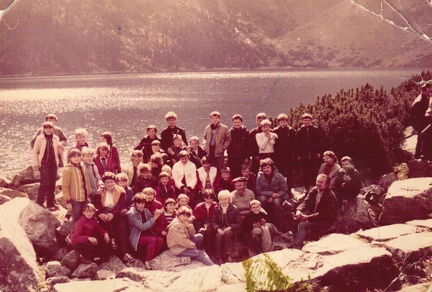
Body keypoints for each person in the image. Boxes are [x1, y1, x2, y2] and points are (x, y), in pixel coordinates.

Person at [94, 172, 135, 263]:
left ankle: (124, 252)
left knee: (122, 226)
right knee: (103, 226)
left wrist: (113, 214)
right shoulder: (100, 191)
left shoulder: (121, 191)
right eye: (107, 182)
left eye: (111, 182)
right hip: (103, 212)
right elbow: (96, 204)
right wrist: (100, 214)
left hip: (116, 212)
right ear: (104, 183)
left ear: (115, 182)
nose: (109, 184)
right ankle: (105, 252)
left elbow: (120, 205)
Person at [292, 174, 339, 249]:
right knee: (298, 216)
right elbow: (306, 202)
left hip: (326, 221)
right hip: (315, 215)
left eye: (321, 182)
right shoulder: (314, 190)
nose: (318, 184)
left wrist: (307, 218)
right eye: (317, 181)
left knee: (302, 225)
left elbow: (323, 215)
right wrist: (298, 210)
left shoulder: (329, 197)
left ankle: (297, 246)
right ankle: (299, 237)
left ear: (327, 185)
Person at [127, 193, 164, 270]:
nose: (141, 205)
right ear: (135, 203)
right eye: (138, 203)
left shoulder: (146, 210)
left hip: (147, 234)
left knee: (160, 240)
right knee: (152, 240)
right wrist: (154, 218)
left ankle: (151, 258)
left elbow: (152, 220)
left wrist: (157, 213)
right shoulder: (131, 214)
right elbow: (142, 227)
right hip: (136, 237)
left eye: (142, 203)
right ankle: (147, 261)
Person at [32, 121, 62, 210]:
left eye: (50, 128)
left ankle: (50, 203)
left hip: (53, 164)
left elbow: (58, 152)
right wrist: (36, 165)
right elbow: (34, 152)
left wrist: (61, 149)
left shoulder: (56, 138)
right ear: (43, 129)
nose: (48, 130)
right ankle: (39, 202)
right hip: (44, 163)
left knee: (52, 183)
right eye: (46, 128)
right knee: (44, 183)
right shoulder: (39, 138)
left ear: (53, 129)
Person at [255, 158, 289, 231]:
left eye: (268, 167)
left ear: (272, 168)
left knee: (276, 202)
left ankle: (278, 225)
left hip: (279, 195)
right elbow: (258, 190)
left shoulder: (279, 176)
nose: (266, 169)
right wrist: (270, 194)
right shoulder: (260, 177)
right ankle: (265, 221)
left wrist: (276, 195)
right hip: (266, 195)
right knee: (262, 199)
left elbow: (284, 189)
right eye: (264, 168)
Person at [295, 113, 324, 193]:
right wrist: (298, 155)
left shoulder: (315, 129)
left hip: (314, 154)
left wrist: (319, 152)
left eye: (308, 120)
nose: (306, 122)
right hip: (304, 156)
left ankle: (317, 186)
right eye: (305, 120)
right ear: (302, 121)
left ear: (311, 121)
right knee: (305, 172)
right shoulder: (300, 131)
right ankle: (306, 187)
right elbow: (297, 144)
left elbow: (319, 141)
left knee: (315, 171)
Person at [62, 148, 92, 224]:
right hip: (75, 199)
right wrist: (68, 201)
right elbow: (65, 187)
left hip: (84, 197)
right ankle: (75, 234)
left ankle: (84, 233)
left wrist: (88, 193)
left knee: (85, 216)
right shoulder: (68, 170)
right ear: (69, 158)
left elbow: (86, 181)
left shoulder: (82, 167)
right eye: (74, 157)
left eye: (78, 156)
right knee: (76, 218)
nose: (77, 159)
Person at [212, 190, 241, 265]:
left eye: (225, 199)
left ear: (229, 199)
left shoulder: (234, 208)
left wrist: (230, 227)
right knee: (218, 236)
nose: (224, 201)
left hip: (230, 229)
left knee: (228, 233)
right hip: (220, 228)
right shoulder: (216, 208)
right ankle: (219, 256)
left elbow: (239, 223)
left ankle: (229, 255)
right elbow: (213, 221)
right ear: (219, 200)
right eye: (221, 199)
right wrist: (217, 228)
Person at [273, 113, 296, 192]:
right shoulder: (275, 131)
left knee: (289, 174)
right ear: (278, 122)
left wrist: (293, 154)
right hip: (279, 156)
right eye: (281, 122)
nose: (283, 124)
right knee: (280, 173)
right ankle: (281, 190)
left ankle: (289, 190)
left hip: (288, 155)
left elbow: (294, 143)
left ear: (287, 122)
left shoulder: (291, 130)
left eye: (285, 122)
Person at [193, 190, 217, 258]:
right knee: (202, 231)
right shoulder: (199, 206)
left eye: (211, 198)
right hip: (201, 224)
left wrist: (210, 223)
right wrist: (202, 226)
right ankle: (202, 250)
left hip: (212, 224)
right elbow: (196, 219)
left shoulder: (216, 205)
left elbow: (217, 217)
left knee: (209, 231)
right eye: (207, 198)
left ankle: (210, 252)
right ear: (204, 198)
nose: (209, 200)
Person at [412, 80, 432, 159]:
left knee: (423, 138)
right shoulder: (419, 101)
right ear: (424, 90)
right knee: (421, 138)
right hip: (420, 123)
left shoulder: (425, 98)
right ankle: (418, 157)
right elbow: (417, 116)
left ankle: (419, 156)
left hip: (423, 121)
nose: (429, 94)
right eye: (428, 91)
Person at [227, 114, 250, 178]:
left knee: (242, 173)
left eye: (238, 122)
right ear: (232, 122)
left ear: (241, 122)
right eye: (235, 122)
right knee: (233, 173)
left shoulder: (245, 132)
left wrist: (247, 157)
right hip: (232, 157)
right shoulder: (229, 132)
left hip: (242, 157)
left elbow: (248, 145)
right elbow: (228, 145)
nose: (236, 124)